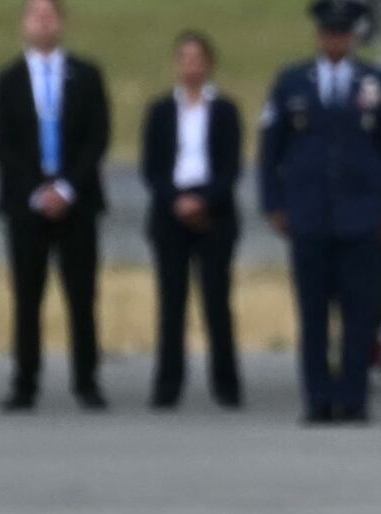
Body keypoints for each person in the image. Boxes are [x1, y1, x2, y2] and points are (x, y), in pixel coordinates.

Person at [259, 0, 381, 423]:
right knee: (313, 313)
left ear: (353, 36)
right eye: (330, 32)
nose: (336, 40)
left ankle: (354, 396)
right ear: (320, 35)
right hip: (309, 216)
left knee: (359, 314)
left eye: (343, 33)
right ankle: (318, 397)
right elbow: (272, 148)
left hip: (361, 218)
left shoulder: (374, 83)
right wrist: (274, 202)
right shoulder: (292, 83)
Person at [0, 0, 110, 412]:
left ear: (62, 22)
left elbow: (98, 136)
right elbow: (1, 143)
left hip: (77, 202)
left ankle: (87, 380)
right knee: (27, 296)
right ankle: (25, 382)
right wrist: (37, 190)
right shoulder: (8, 79)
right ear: (24, 24)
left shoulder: (86, 75)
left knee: (81, 296)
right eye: (34, 15)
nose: (42, 23)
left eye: (49, 15)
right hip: (27, 204)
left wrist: (68, 188)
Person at [141, 31, 243, 410]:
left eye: (198, 59)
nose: (191, 66)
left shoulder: (225, 110)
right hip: (171, 212)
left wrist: (204, 201)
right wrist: (176, 202)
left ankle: (227, 385)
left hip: (213, 213)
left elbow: (232, 168)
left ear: (209, 63)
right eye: (184, 58)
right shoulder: (161, 111)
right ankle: (168, 386)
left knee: (217, 301)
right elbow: (151, 168)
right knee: (171, 304)